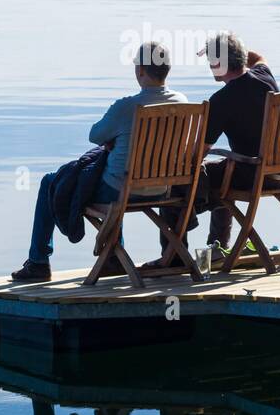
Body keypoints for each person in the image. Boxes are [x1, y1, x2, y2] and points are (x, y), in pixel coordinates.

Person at [12, 41, 186, 283]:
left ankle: (39, 262)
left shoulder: (126, 107)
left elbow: (95, 136)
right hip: (164, 190)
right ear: (167, 70)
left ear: (140, 71)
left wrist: (116, 140)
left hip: (122, 190)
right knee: (116, 168)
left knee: (51, 181)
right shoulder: (183, 102)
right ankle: (113, 259)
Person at [201, 31, 279, 262]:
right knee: (225, 169)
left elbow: (200, 151)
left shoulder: (221, 100)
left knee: (200, 173)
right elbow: (258, 57)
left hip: (253, 174)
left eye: (210, 61)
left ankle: (180, 251)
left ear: (217, 63)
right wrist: (232, 49)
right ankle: (218, 246)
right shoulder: (265, 77)